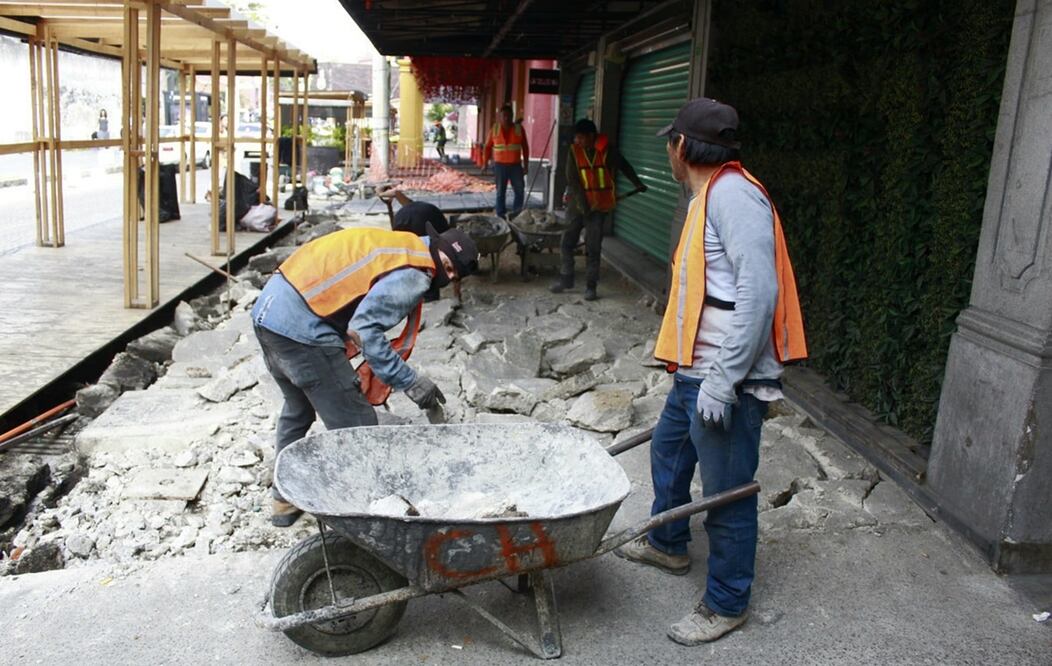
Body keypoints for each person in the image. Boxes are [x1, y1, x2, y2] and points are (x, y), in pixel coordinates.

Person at [614, 98, 808, 645]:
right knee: (669, 453)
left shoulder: (734, 196)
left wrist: (725, 381)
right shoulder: (708, 194)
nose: (668, 150)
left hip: (728, 376)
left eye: (669, 142)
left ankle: (726, 601)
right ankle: (668, 542)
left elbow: (759, 292)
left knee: (726, 493)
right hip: (695, 371)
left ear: (682, 147)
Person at [252, 225, 480, 527]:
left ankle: (283, 502)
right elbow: (367, 329)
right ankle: (366, 517)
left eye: (455, 275)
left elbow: (347, 291)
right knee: (358, 430)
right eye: (448, 266)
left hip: (269, 313)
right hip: (302, 329)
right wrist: (410, 381)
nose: (448, 276)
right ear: (437, 249)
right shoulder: (415, 271)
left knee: (298, 409)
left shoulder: (400, 244)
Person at [550, 119, 646, 301]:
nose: (578, 141)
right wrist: (583, 206)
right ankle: (566, 278)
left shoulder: (607, 151)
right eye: (576, 137)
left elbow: (624, 165)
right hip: (577, 206)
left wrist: (637, 183)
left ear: (591, 136)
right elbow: (573, 181)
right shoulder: (574, 151)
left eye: (581, 137)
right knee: (566, 242)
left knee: (593, 248)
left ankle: (590, 286)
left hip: (599, 207)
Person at [377, 184, 452, 302]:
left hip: (404, 221)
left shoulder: (410, 209)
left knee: (409, 257)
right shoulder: (437, 221)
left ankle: (413, 292)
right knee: (428, 260)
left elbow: (396, 239)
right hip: (419, 224)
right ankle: (429, 296)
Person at [483, 105, 529, 219]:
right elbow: (487, 147)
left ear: (512, 116)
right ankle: (500, 214)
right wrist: (485, 163)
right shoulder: (495, 129)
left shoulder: (519, 129)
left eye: (509, 115)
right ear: (500, 117)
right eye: (504, 116)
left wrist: (526, 165)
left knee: (519, 190)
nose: (506, 118)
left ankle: (517, 214)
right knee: (500, 192)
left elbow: (525, 148)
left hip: (516, 166)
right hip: (500, 166)